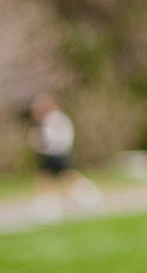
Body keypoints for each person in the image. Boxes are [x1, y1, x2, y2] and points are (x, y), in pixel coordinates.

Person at [29, 93, 101, 222]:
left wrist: (45, 147)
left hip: (57, 154)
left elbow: (55, 139)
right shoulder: (51, 120)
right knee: (47, 179)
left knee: (64, 178)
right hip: (55, 153)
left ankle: (86, 197)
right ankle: (51, 207)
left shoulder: (54, 119)